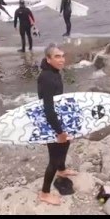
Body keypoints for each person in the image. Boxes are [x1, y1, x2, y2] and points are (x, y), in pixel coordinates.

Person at [37, 43, 77, 205]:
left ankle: (62, 171)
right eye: (57, 56)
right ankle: (44, 193)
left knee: (66, 144)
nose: (62, 60)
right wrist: (59, 131)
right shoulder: (46, 77)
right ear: (48, 59)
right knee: (54, 158)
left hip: (58, 118)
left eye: (62, 56)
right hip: (51, 122)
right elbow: (48, 108)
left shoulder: (55, 72)